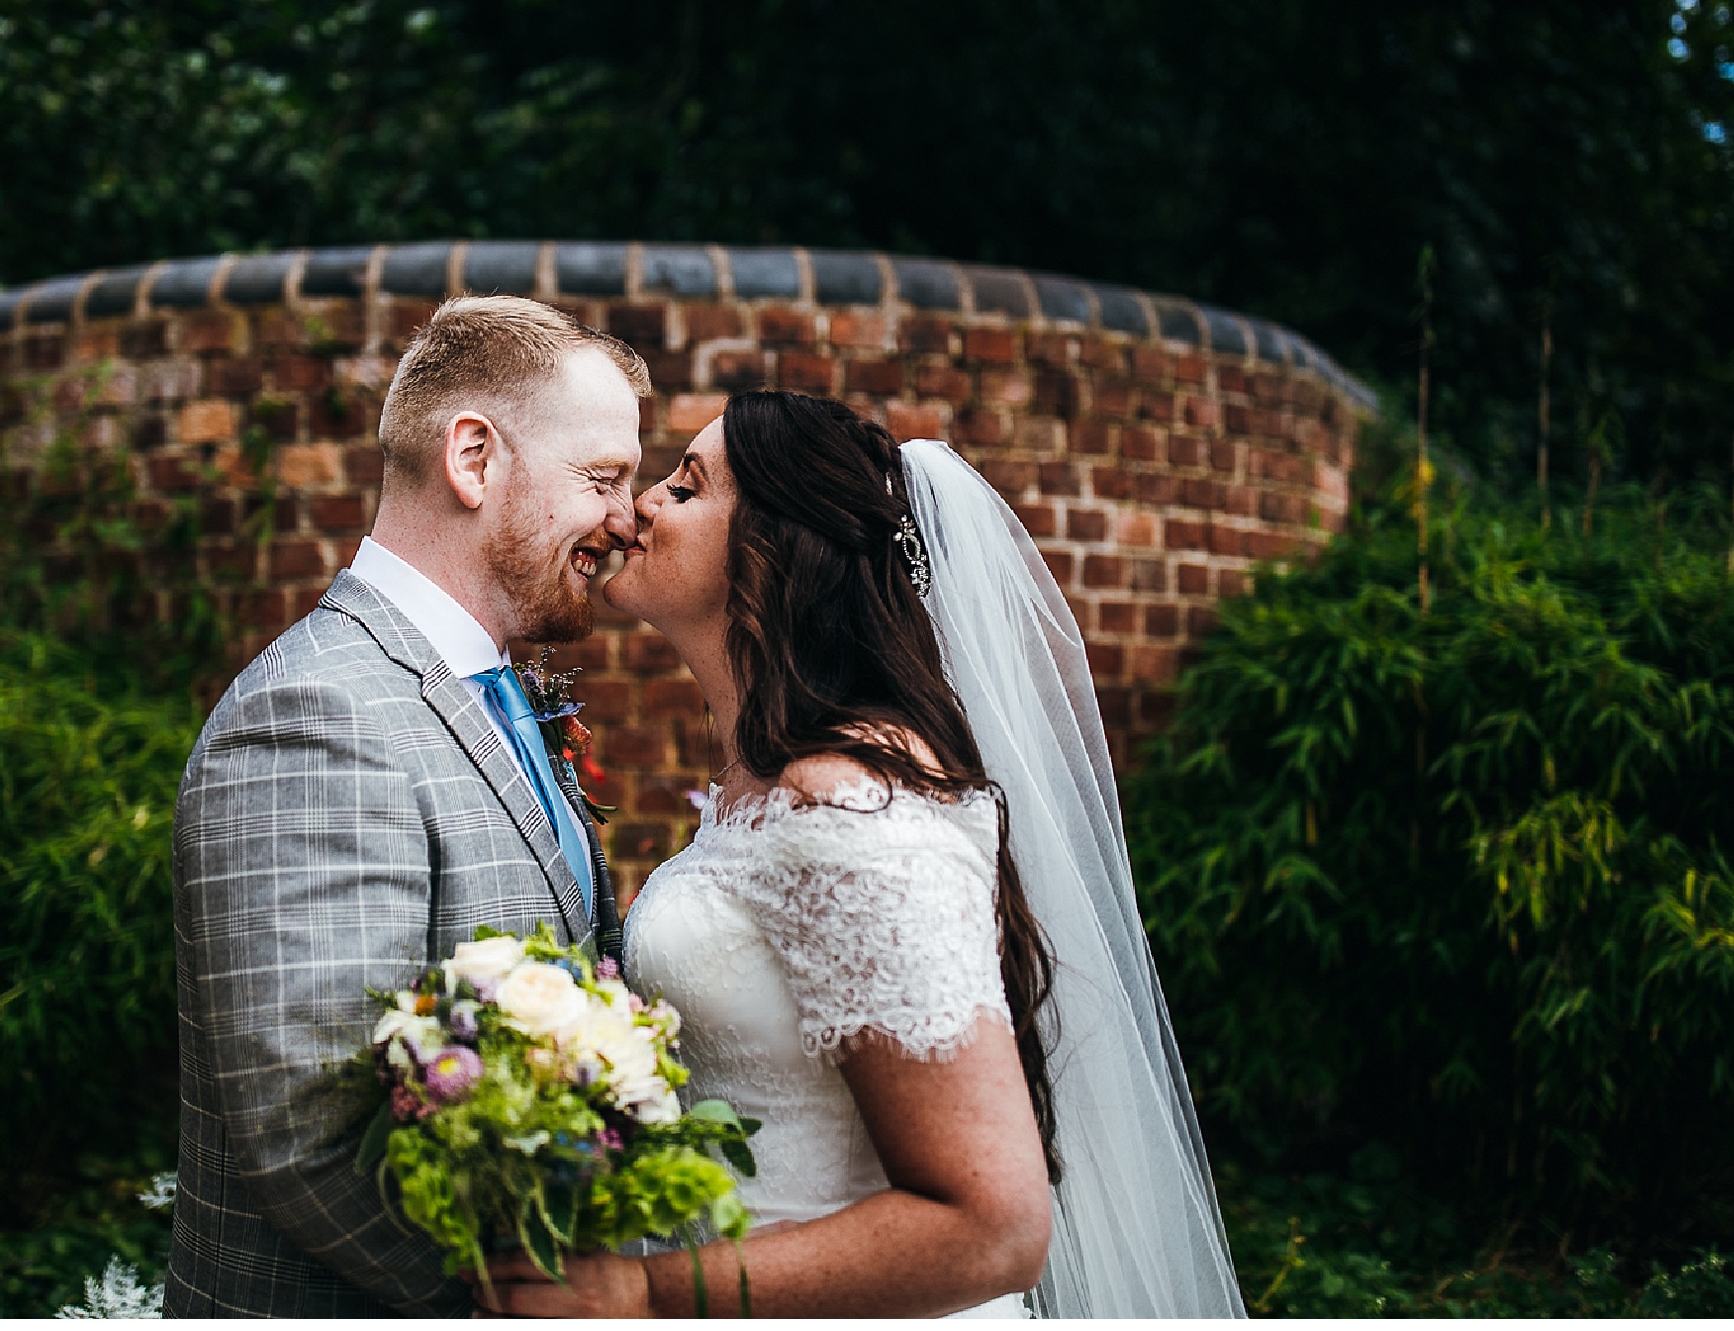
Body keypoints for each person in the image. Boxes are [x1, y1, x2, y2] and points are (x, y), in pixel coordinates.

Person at [473, 389, 1245, 1318]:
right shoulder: (762, 787)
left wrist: (644, 1290)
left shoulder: (849, 805)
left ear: (775, 543)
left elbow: (994, 1224)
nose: (642, 503)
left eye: (688, 486)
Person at [165, 295, 649, 1316]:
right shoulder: (316, 716)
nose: (626, 519)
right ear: (472, 458)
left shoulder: (497, 693)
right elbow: (313, 1133)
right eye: (602, 478)